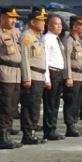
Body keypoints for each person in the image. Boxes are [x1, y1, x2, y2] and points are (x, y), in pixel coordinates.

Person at [0, 7, 23, 149]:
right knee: (5, 107)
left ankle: (8, 134)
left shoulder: (16, 33)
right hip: (4, 73)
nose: (14, 20)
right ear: (2, 18)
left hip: (16, 73)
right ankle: (2, 137)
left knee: (13, 107)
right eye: (10, 17)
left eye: (15, 18)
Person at [19, 8, 48, 145]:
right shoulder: (26, 36)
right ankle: (27, 133)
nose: (44, 24)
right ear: (32, 22)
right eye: (41, 21)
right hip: (32, 75)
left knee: (36, 105)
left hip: (39, 75)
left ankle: (32, 131)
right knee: (29, 105)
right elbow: (24, 58)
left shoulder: (37, 37)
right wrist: (26, 77)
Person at [62, 15, 82, 137]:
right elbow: (66, 59)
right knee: (71, 101)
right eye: (81, 25)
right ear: (74, 27)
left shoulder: (79, 40)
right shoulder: (69, 40)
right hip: (73, 74)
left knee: (78, 101)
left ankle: (74, 123)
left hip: (81, 75)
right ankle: (70, 125)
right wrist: (68, 76)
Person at [42, 13, 66, 141]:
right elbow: (44, 59)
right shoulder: (47, 38)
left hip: (59, 73)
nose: (59, 27)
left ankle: (53, 127)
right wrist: (47, 78)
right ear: (49, 25)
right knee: (50, 103)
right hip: (51, 72)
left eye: (60, 24)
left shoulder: (57, 38)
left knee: (56, 103)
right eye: (56, 24)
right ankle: (49, 129)